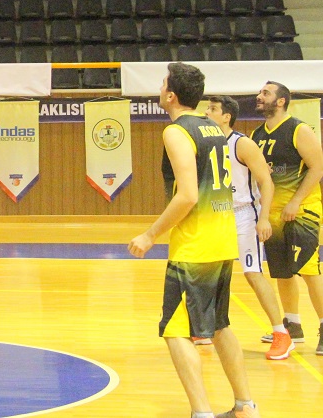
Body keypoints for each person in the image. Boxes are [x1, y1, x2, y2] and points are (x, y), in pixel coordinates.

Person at [129, 63, 260, 418]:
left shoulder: (176, 131)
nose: (159, 89)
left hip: (196, 244)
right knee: (220, 325)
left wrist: (150, 234)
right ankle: (245, 405)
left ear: (171, 95)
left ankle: (201, 412)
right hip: (222, 237)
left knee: (175, 330)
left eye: (162, 84)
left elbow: (187, 195)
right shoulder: (213, 127)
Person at [206, 95, 290, 359]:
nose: (206, 112)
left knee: (253, 273)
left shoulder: (242, 144)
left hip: (244, 214)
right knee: (210, 272)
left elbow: (267, 182)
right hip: (217, 214)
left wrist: (263, 218)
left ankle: (281, 333)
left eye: (212, 109)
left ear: (226, 116)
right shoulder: (206, 142)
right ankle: (208, 326)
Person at [251, 81, 323, 357]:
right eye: (260, 92)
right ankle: (292, 325)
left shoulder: (298, 129)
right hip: (273, 214)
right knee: (282, 271)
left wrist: (295, 201)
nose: (259, 96)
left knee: (309, 270)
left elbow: (318, 167)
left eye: (265, 93)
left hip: (302, 211)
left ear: (281, 101)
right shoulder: (257, 134)